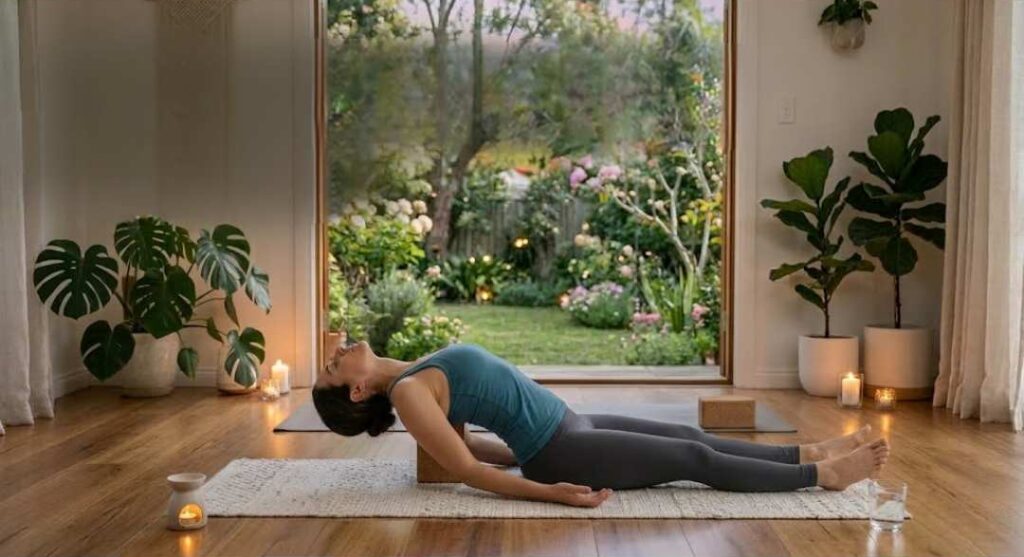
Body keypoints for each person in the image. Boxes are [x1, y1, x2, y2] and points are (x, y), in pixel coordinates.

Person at [313, 341, 889, 508]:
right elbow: (462, 467)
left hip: (568, 424)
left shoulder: (416, 372)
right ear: (359, 389)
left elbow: (469, 442)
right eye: (337, 366)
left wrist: (512, 456)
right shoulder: (411, 392)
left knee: (690, 437)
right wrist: (547, 490)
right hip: (562, 451)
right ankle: (821, 477)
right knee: (694, 464)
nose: (340, 349)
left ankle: (806, 451)